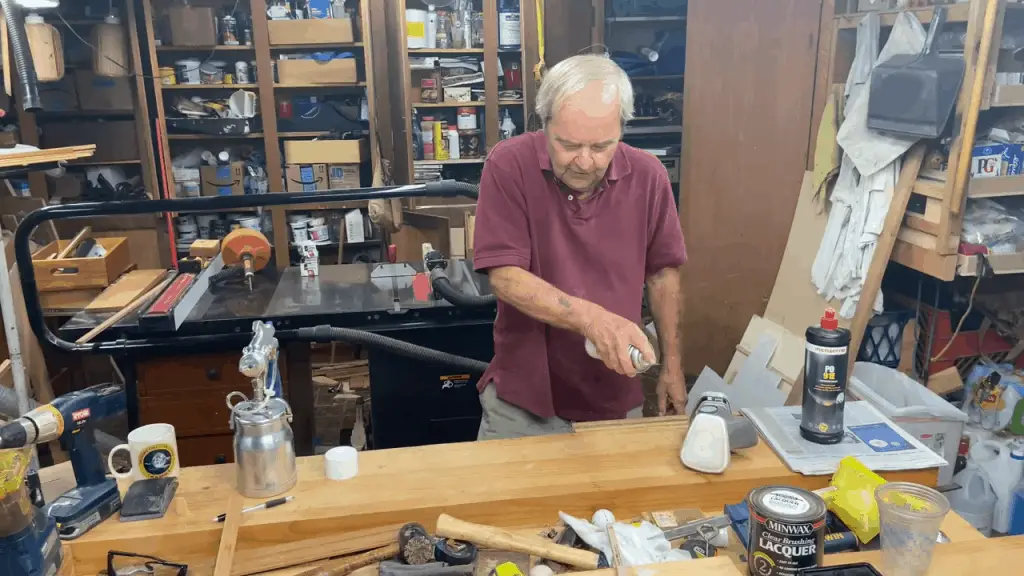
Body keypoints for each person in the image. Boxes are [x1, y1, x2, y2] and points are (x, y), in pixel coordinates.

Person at [473, 54, 688, 440]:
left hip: (615, 397)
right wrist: (593, 320)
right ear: (545, 125)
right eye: (568, 145)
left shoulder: (649, 176)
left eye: (602, 146)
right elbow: (505, 276)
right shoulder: (509, 165)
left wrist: (672, 363)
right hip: (524, 400)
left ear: (622, 130)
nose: (585, 162)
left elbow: (662, 273)